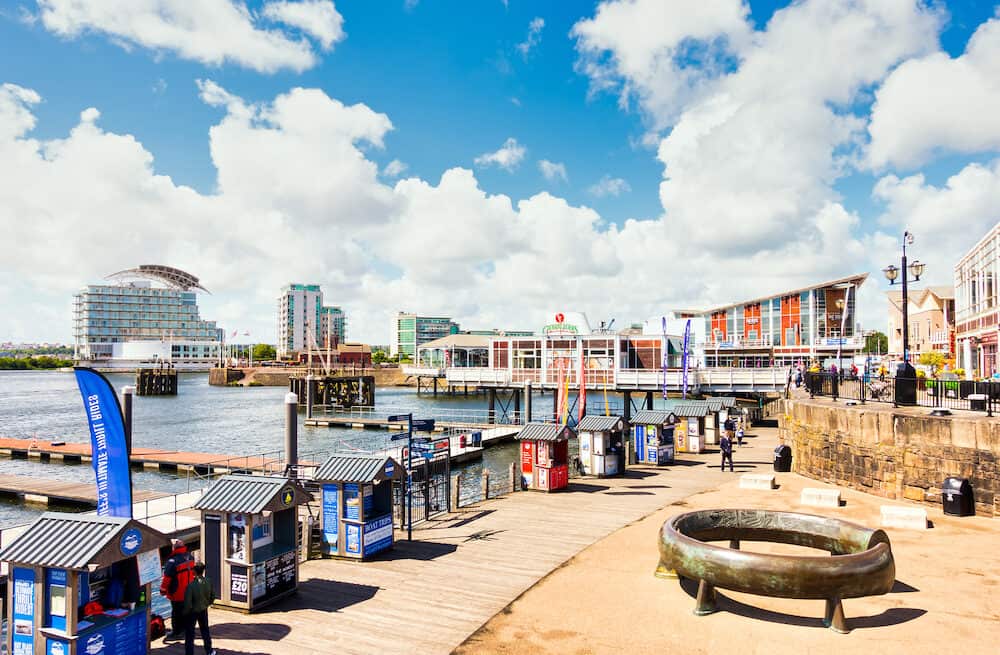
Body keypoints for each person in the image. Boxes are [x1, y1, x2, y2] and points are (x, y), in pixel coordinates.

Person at [160, 538, 195, 640]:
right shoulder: (190, 557)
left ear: (174, 548)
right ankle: (185, 629)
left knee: (176, 612)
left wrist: (162, 590)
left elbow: (167, 579)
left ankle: (176, 632)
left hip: (177, 591)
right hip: (188, 589)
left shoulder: (172, 562)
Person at [183, 562, 217, 655]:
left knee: (190, 634)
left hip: (192, 612)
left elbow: (187, 603)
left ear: (194, 571)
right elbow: (213, 596)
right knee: (205, 631)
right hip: (203, 609)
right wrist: (207, 604)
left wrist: (185, 613)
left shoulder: (191, 586)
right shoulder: (208, 581)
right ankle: (209, 651)